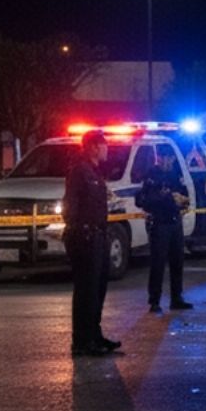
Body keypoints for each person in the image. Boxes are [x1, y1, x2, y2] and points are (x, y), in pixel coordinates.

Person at [63, 130, 120, 356]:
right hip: (86, 238)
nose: (107, 149)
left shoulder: (95, 172)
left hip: (99, 235)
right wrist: (79, 231)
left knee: (98, 289)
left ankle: (94, 335)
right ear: (93, 147)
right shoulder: (80, 172)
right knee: (86, 290)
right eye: (104, 145)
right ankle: (82, 341)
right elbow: (71, 207)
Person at [136, 151, 193, 313]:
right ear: (159, 159)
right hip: (160, 223)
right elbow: (144, 201)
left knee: (177, 261)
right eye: (165, 158)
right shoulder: (151, 175)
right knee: (158, 263)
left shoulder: (175, 174)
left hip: (175, 222)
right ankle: (154, 300)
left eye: (170, 158)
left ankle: (177, 297)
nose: (168, 161)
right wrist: (167, 198)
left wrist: (183, 201)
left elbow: (184, 193)